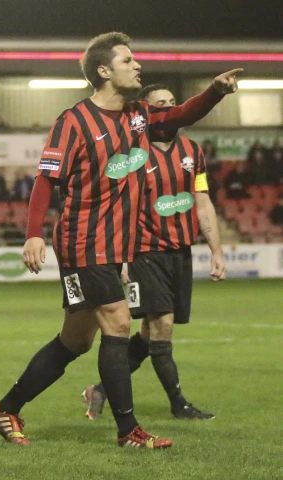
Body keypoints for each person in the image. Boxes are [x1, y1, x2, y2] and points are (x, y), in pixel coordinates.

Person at [0, 31, 240, 449]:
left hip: (114, 245)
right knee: (120, 322)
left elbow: (180, 116)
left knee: (76, 340)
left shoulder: (138, 116)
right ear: (104, 71)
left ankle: (5, 408)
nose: (137, 65)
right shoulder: (73, 122)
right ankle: (129, 431)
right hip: (84, 241)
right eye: (128, 60)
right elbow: (46, 180)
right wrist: (33, 234)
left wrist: (215, 90)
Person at [82, 84, 226, 422]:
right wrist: (119, 259)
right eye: (160, 104)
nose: (169, 108)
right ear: (147, 112)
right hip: (144, 252)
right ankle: (179, 405)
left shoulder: (193, 152)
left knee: (149, 333)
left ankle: (100, 389)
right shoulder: (132, 153)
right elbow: (115, 206)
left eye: (173, 103)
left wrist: (216, 252)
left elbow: (202, 204)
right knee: (162, 324)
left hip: (180, 252)